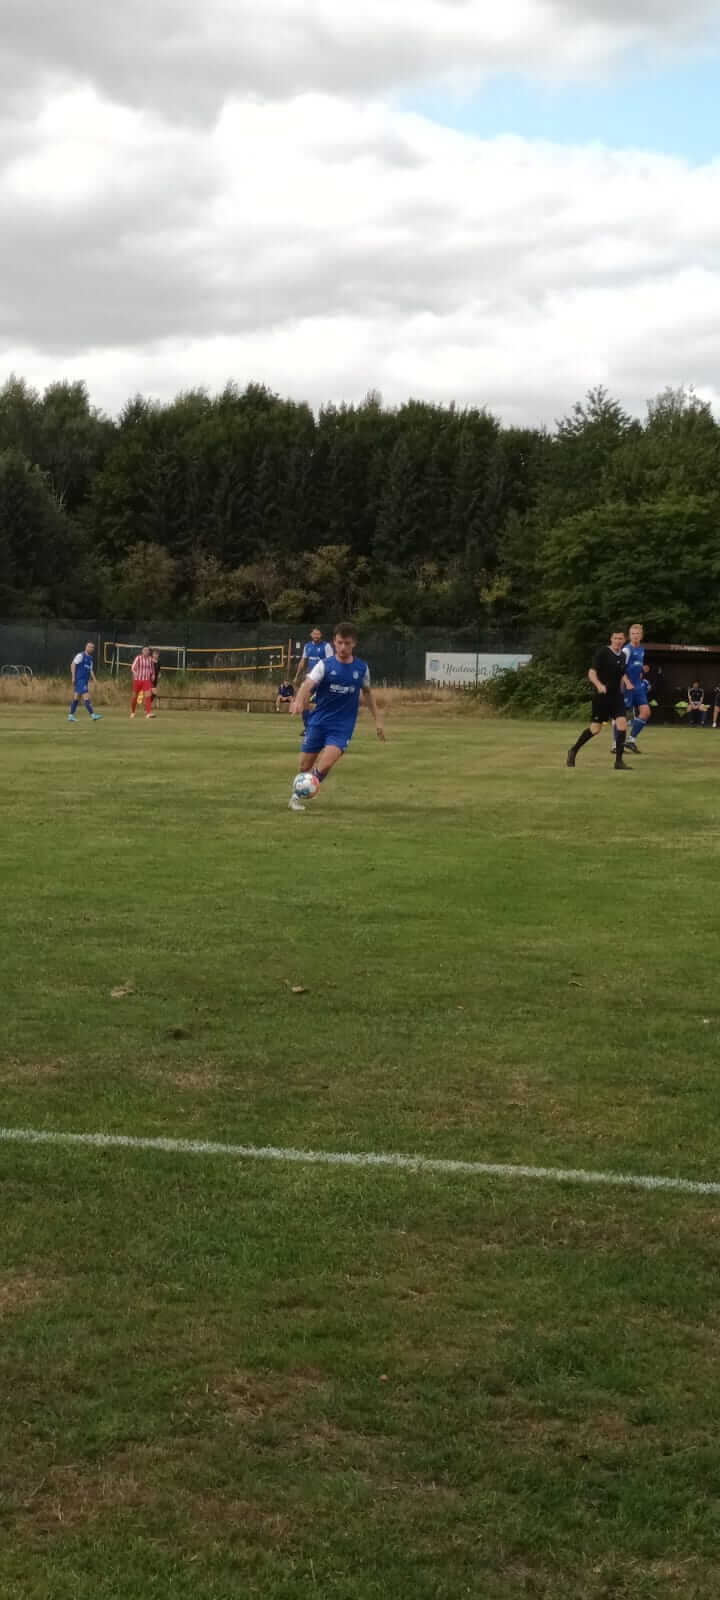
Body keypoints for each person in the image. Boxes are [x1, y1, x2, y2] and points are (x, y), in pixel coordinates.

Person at [288, 622, 385, 810]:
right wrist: (299, 701)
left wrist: (378, 721)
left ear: (354, 643)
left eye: (347, 643)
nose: (342, 647)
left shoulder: (361, 669)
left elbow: (368, 694)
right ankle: (306, 786)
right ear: (334, 642)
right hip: (318, 722)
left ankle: (299, 794)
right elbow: (307, 685)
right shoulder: (325, 666)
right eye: (339, 643)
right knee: (303, 767)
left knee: (325, 763)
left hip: (342, 726)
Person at [566, 630, 633, 770]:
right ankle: (573, 750)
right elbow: (591, 673)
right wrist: (599, 685)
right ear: (611, 639)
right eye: (615, 638)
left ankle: (618, 762)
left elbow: (621, 674)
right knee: (595, 729)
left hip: (616, 697)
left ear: (624, 640)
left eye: (621, 638)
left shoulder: (623, 655)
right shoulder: (603, 652)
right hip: (601, 697)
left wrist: (626, 685)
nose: (618, 641)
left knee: (622, 724)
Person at [611, 622, 650, 755]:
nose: (635, 636)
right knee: (621, 715)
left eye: (637, 634)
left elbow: (637, 666)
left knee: (645, 712)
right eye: (633, 634)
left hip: (637, 686)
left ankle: (630, 740)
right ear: (629, 636)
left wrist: (642, 670)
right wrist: (625, 684)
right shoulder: (626, 650)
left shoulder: (641, 649)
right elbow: (620, 669)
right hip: (627, 686)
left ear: (641, 636)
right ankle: (615, 745)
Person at [68, 641, 101, 723]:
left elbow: (90, 670)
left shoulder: (90, 659)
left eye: (93, 647)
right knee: (86, 696)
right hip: (79, 680)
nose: (91, 648)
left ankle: (71, 716)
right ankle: (93, 715)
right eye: (90, 647)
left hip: (84, 681)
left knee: (76, 698)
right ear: (86, 647)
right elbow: (72, 664)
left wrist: (95, 680)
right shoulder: (80, 655)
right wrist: (73, 677)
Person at [130, 646, 155, 719]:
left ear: (148, 652)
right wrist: (134, 672)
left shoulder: (150, 659)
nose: (146, 652)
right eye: (145, 650)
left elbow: (152, 668)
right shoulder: (138, 658)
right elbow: (132, 667)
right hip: (137, 680)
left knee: (148, 696)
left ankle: (148, 713)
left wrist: (153, 675)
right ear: (142, 651)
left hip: (146, 680)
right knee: (134, 696)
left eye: (147, 650)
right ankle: (132, 712)